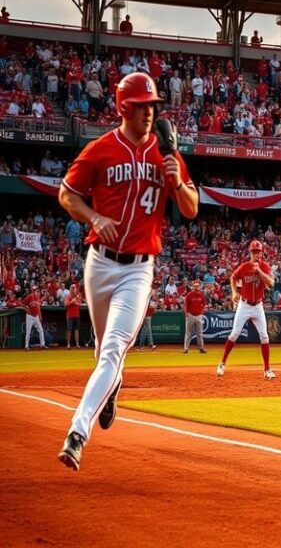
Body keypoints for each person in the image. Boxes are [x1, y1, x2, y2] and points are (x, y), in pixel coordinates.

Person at [57, 71, 199, 471]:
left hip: (139, 269)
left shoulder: (165, 151)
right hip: (99, 263)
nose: (150, 112)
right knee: (104, 352)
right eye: (142, 106)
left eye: (153, 106)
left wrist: (179, 184)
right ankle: (113, 387)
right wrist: (92, 216)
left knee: (115, 348)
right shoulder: (102, 148)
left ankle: (76, 433)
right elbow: (66, 193)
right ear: (124, 107)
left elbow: (192, 209)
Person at [216, 240, 275, 379]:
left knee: (264, 336)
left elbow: (271, 283)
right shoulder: (244, 267)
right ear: (250, 253)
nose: (256, 254)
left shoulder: (264, 267)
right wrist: (234, 292)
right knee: (235, 333)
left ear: (261, 253)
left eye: (258, 251)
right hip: (244, 305)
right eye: (254, 251)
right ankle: (222, 364)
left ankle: (267, 369)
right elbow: (233, 277)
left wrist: (259, 271)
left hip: (258, 306)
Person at [183, 280, 207, 354]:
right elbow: (185, 305)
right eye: (195, 286)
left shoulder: (201, 295)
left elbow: (204, 304)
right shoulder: (189, 295)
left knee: (200, 333)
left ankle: (201, 348)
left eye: (197, 286)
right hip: (190, 315)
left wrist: (202, 311)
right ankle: (186, 348)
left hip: (199, 315)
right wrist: (186, 313)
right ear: (192, 287)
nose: (196, 287)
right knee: (188, 333)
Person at [22, 284, 46, 351]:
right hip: (30, 316)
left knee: (41, 330)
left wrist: (40, 315)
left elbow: (38, 307)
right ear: (32, 290)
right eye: (34, 290)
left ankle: (42, 345)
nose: (35, 291)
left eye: (36, 290)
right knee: (28, 331)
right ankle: (26, 346)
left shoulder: (38, 297)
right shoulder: (29, 297)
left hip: (36, 316)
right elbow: (22, 304)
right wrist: (27, 310)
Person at [64, 285, 82, 349]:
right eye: (72, 288)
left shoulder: (78, 296)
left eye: (74, 288)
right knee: (69, 330)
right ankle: (68, 344)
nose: (73, 289)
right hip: (70, 315)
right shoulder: (68, 296)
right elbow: (65, 305)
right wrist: (71, 302)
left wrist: (75, 302)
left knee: (76, 330)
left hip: (76, 315)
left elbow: (80, 304)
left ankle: (77, 344)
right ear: (70, 289)